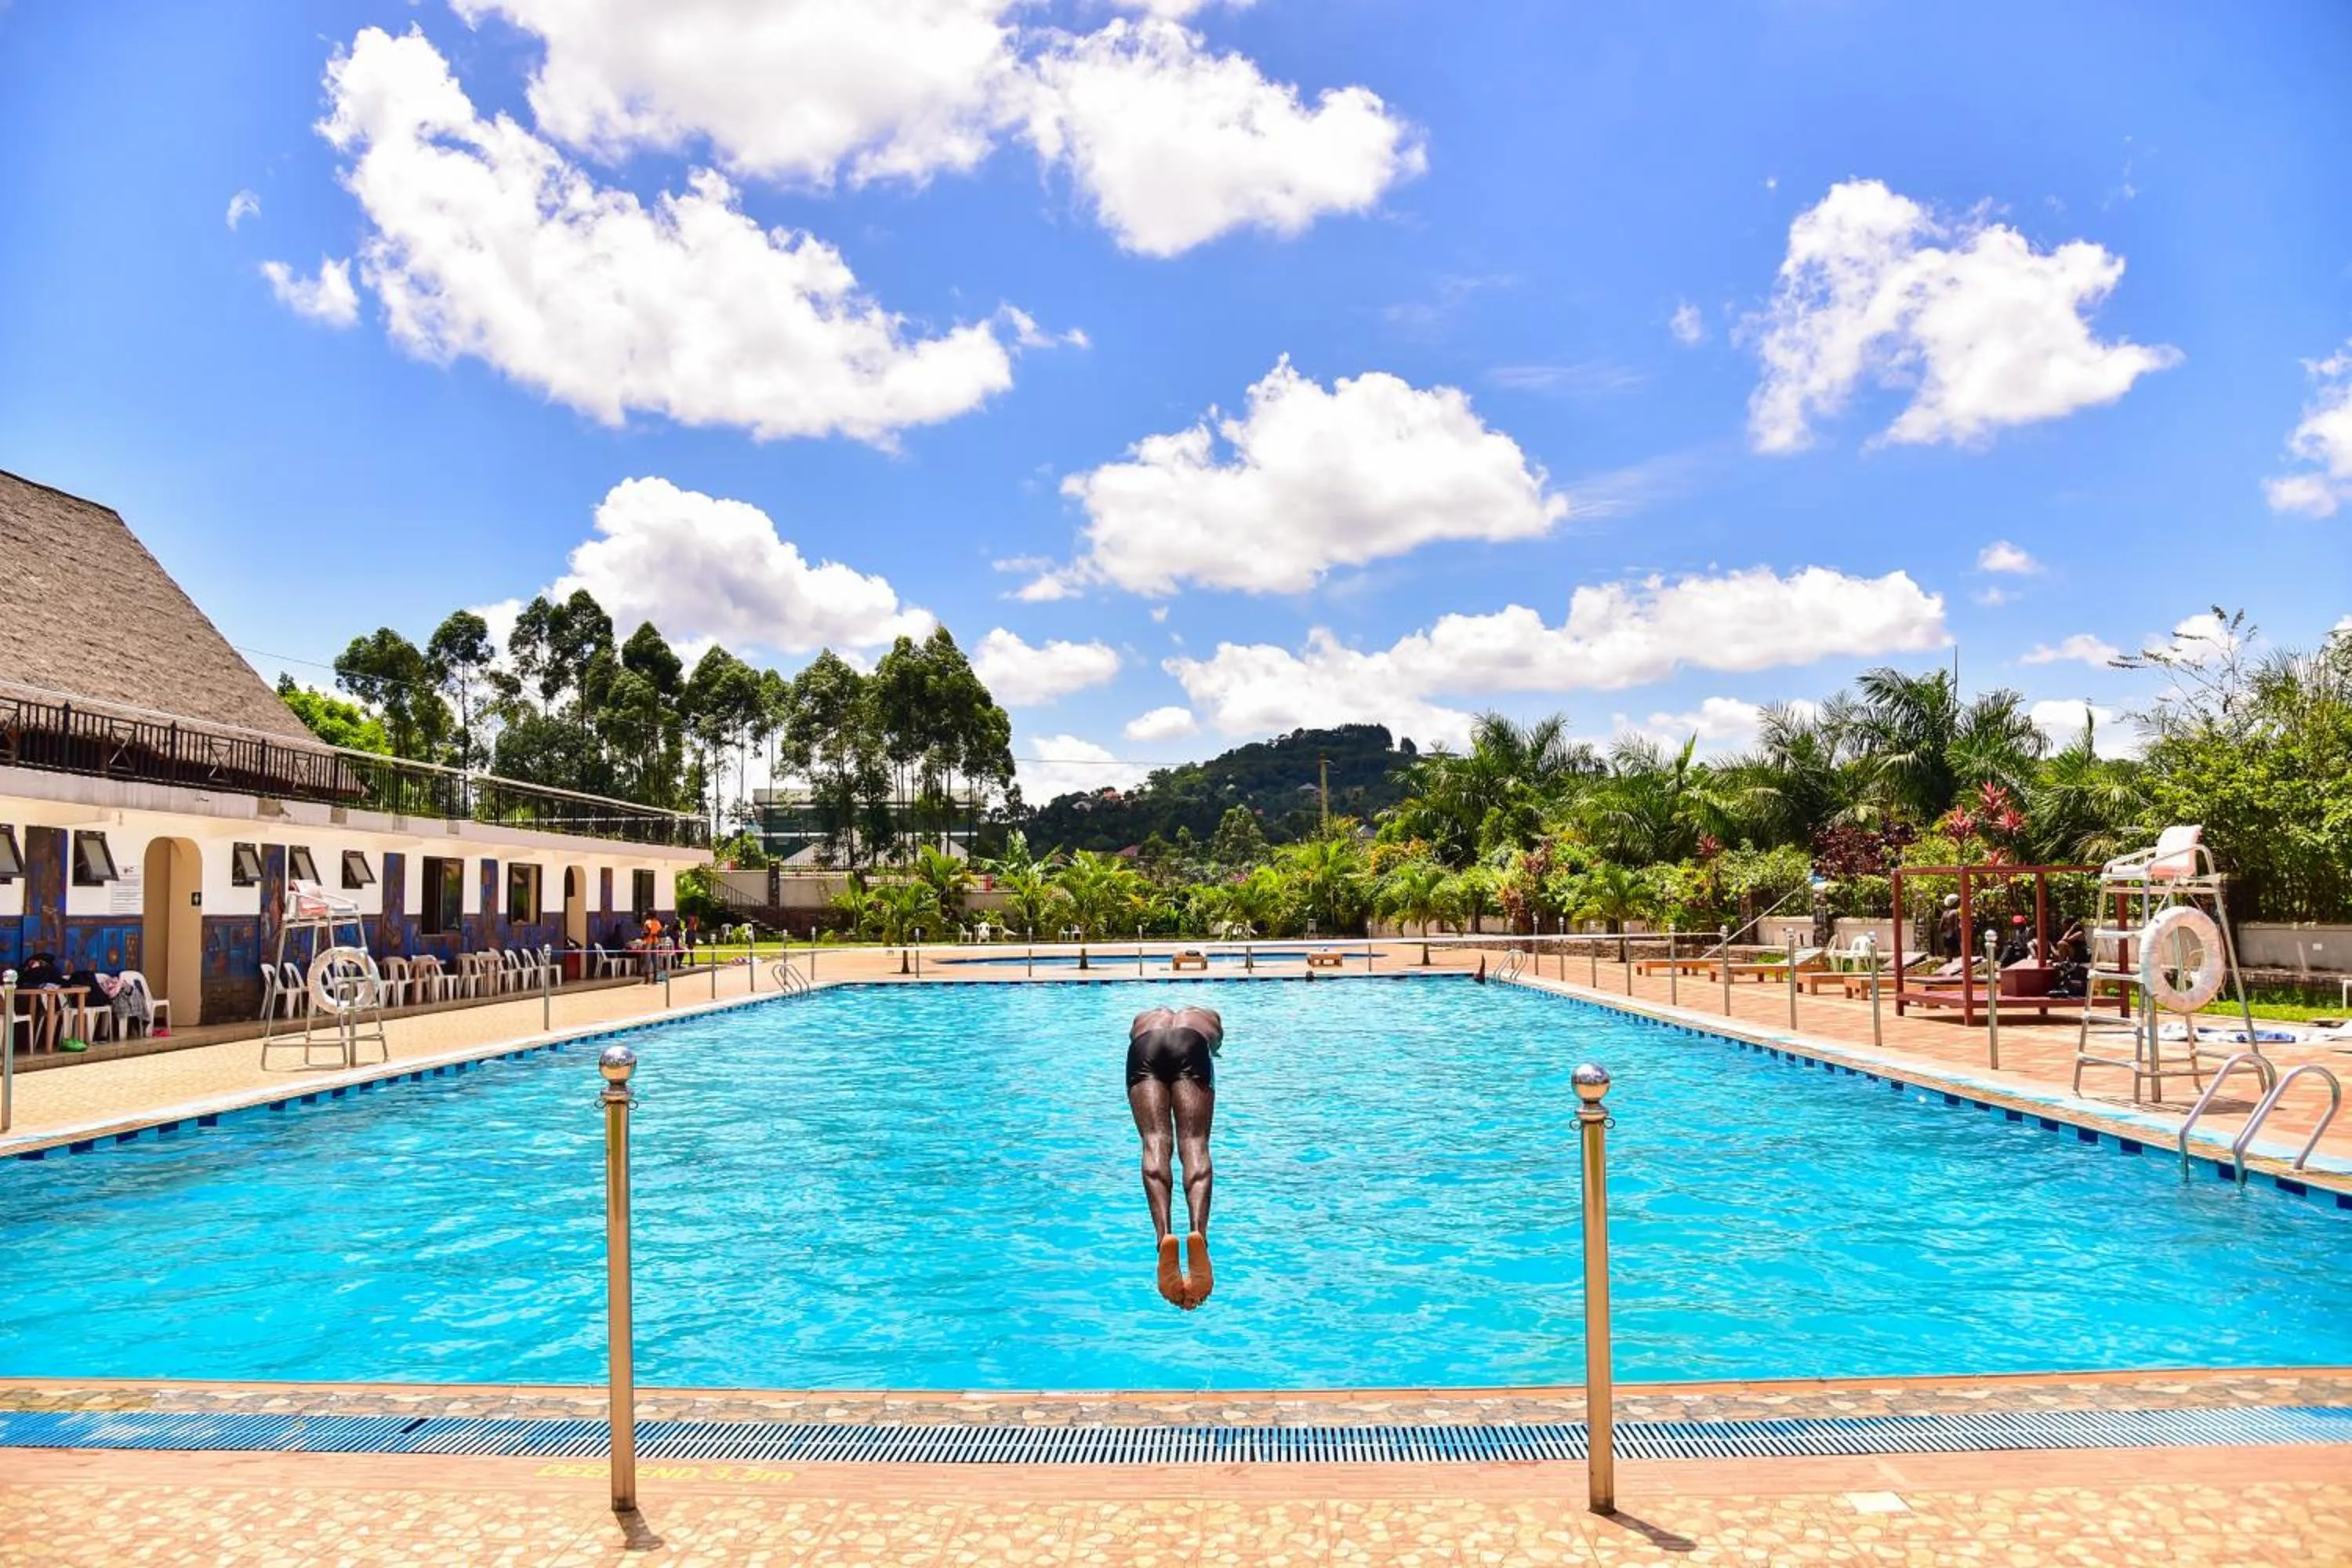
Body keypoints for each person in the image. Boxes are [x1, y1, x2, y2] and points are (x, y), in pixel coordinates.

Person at [1126, 1004, 1221, 1309]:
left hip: (1145, 1048)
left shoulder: (1143, 1019)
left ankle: (1163, 1237)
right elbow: (1214, 1043)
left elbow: (1132, 1038)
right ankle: (1198, 1234)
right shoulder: (1207, 1018)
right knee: (1194, 1145)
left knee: (1154, 1142)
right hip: (1191, 1045)